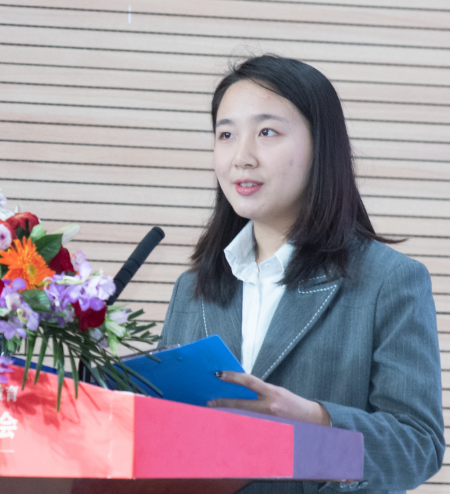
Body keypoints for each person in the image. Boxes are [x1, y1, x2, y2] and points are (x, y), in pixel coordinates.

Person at [159, 55, 444, 493]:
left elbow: (417, 446)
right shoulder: (192, 288)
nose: (242, 157)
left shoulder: (389, 281)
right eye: (226, 134)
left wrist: (316, 420)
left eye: (267, 132)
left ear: (320, 146)